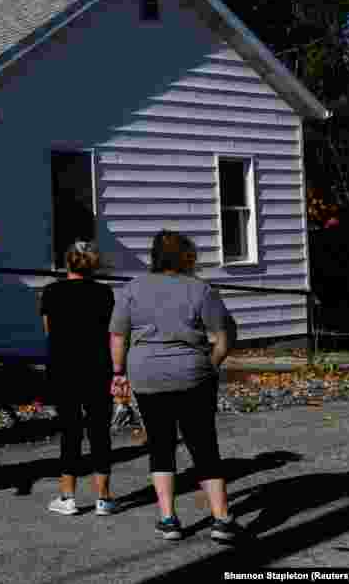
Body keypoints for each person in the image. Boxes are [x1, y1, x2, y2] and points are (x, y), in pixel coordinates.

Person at [109, 230, 239, 543]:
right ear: (186, 256)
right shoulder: (200, 289)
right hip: (192, 373)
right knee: (204, 444)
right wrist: (212, 363)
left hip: (147, 374)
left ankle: (168, 519)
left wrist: (119, 372)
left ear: (154, 256)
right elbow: (224, 333)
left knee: (160, 445)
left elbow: (118, 335)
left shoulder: (132, 289)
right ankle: (221, 519)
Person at [40, 241, 117, 516]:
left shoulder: (51, 292)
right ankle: (103, 498)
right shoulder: (105, 293)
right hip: (98, 367)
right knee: (99, 431)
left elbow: (48, 331)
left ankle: (67, 495)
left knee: (69, 431)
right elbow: (112, 332)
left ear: (68, 262)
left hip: (64, 368)